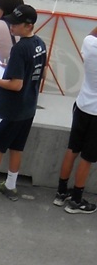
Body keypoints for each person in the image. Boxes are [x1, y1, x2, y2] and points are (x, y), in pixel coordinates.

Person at [0, 4, 47, 202]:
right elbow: (42, 73)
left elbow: (16, 85)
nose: (11, 26)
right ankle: (10, 186)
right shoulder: (40, 44)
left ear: (28, 25)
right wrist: (9, 67)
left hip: (9, 109)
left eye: (16, 24)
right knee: (17, 148)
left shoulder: (19, 48)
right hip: (28, 108)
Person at [52, 23, 97, 215]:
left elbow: (93, 33)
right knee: (87, 158)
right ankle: (76, 201)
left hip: (82, 106)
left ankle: (61, 192)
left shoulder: (89, 43)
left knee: (72, 149)